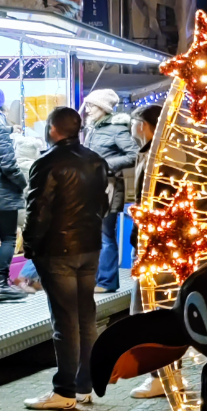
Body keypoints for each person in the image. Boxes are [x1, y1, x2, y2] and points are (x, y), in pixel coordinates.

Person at [22, 106, 109, 410]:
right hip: (90, 247)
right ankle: (85, 386)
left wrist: (31, 248)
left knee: (65, 321)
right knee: (86, 316)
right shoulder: (96, 161)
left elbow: (38, 210)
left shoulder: (46, 163)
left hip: (58, 251)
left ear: (52, 130)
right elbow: (104, 203)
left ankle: (64, 391)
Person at [81, 89, 138, 294]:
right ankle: (98, 278)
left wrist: (104, 164)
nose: (87, 110)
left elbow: (133, 154)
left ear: (103, 107)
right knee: (94, 235)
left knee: (105, 235)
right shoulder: (92, 128)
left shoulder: (116, 129)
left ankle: (107, 281)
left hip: (109, 188)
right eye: (86, 105)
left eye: (91, 106)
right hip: (92, 187)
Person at [126, 103, 166, 399]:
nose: (130, 127)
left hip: (157, 244)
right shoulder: (150, 151)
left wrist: (142, 216)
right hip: (150, 241)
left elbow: (161, 201)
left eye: (133, 122)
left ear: (144, 124)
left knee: (150, 309)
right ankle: (161, 375)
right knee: (150, 309)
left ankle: (160, 377)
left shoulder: (159, 156)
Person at [0, 82, 27, 302]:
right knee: (8, 237)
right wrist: (22, 182)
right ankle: (1, 285)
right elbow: (8, 165)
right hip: (0, 191)